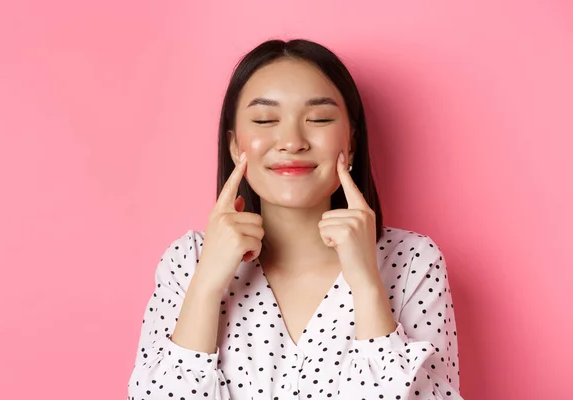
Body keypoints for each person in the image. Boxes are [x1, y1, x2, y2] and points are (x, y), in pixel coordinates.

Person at [127, 39, 462, 400]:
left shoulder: (413, 261)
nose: (292, 141)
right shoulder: (187, 262)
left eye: (318, 119)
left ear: (350, 142)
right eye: (265, 120)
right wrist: (206, 285)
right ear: (235, 145)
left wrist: (366, 283)